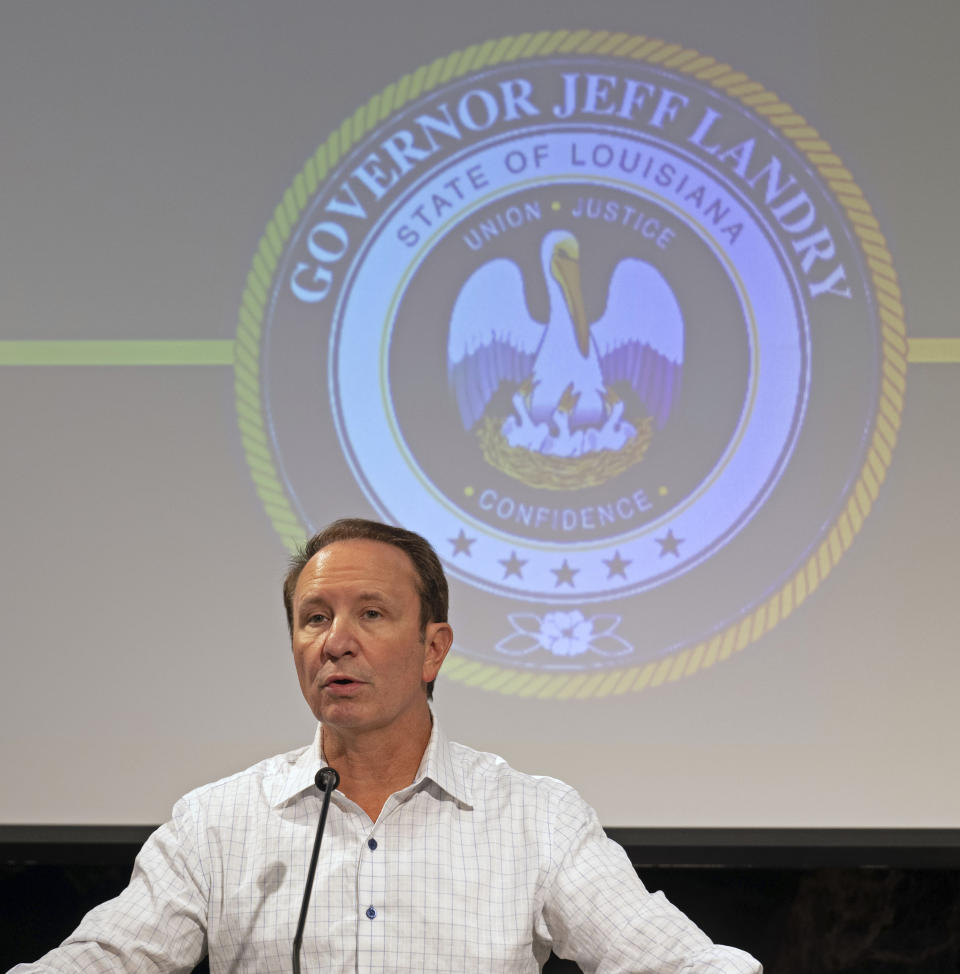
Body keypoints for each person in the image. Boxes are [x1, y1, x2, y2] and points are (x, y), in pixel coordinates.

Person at [10, 518, 762, 973]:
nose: (336, 643)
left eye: (371, 614)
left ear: (433, 650)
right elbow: (106, 958)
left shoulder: (533, 820)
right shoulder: (217, 824)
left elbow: (668, 957)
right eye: (313, 618)